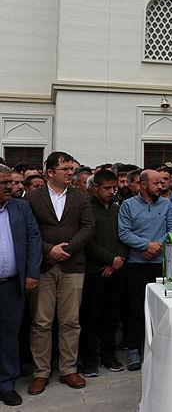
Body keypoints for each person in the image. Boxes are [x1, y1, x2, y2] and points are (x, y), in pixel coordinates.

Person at [26, 151, 95, 395]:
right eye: (65, 169)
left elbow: (88, 227)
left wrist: (67, 249)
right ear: (50, 172)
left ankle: (68, 369)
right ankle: (41, 372)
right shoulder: (33, 198)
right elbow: (29, 229)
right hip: (43, 266)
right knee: (41, 322)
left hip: (72, 265)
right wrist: (48, 250)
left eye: (72, 169)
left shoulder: (80, 196)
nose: (70, 173)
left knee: (70, 321)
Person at [118, 170, 172, 371]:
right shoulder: (128, 205)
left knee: (161, 309)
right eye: (156, 183)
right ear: (143, 185)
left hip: (160, 264)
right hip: (136, 264)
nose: (160, 187)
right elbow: (124, 232)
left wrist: (156, 247)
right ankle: (134, 349)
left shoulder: (167, 204)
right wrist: (145, 245)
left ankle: (159, 349)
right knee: (135, 308)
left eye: (162, 183)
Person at [78, 170, 127, 377]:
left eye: (113, 188)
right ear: (95, 188)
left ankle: (109, 356)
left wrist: (118, 260)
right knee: (91, 318)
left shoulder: (117, 209)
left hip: (116, 271)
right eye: (107, 188)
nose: (111, 192)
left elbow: (125, 236)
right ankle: (90, 360)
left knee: (112, 317)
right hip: (94, 272)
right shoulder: (85, 208)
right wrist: (109, 260)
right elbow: (87, 242)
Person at [0, 165, 42, 407]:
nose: (9, 187)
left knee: (9, 336)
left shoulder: (21, 207)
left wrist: (32, 273)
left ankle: (7, 384)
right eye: (3, 183)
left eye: (10, 182)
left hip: (11, 287)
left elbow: (34, 238)